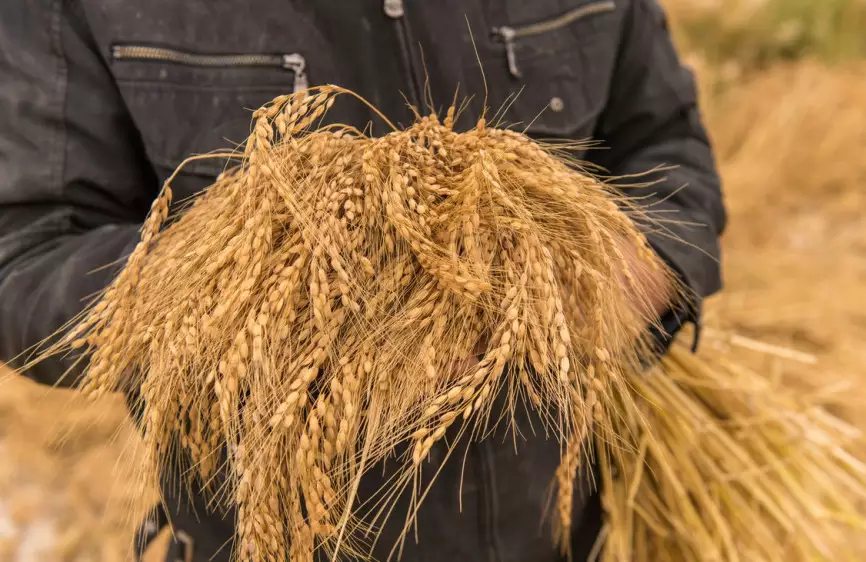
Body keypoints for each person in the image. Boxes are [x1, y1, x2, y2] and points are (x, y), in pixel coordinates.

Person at [0, 1, 726, 560]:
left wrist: (622, 281)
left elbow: (667, 147)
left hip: (567, 530)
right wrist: (271, 301)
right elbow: (26, 253)